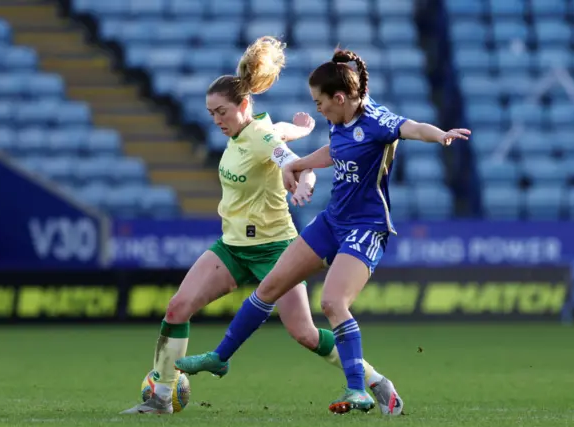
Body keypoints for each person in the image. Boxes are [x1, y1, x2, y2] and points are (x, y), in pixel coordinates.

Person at [175, 48, 471, 415]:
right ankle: (220, 357)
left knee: (332, 303)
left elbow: (411, 128)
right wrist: (299, 164)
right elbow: (334, 150)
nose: (318, 109)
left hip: (366, 228)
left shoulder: (376, 121)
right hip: (332, 221)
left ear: (340, 98)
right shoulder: (338, 116)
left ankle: (357, 389)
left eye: (320, 102)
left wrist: (440, 134)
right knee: (269, 288)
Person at [121, 38, 404, 415]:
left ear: (243, 105)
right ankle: (160, 397)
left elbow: (288, 157)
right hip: (233, 246)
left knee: (303, 333)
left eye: (221, 112)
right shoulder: (245, 132)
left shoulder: (259, 137)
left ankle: (374, 381)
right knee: (177, 308)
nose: (216, 120)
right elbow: (278, 131)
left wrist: (303, 181)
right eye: (211, 114)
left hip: (274, 248)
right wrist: (299, 129)